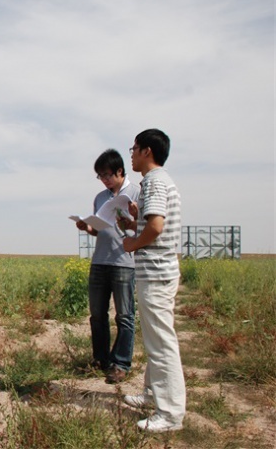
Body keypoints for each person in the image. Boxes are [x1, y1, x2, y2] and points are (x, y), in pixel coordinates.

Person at [119, 129, 185, 433]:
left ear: (146, 151)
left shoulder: (156, 182)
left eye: (133, 149)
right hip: (157, 271)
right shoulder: (157, 183)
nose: (131, 154)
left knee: (161, 343)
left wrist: (133, 241)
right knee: (154, 337)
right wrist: (136, 219)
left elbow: (156, 227)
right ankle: (150, 394)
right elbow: (152, 221)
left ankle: (170, 414)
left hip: (157, 272)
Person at [75, 149, 140, 384]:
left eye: (106, 175)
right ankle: (101, 360)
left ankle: (121, 363)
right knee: (97, 315)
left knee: (124, 316)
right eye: (100, 176)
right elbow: (100, 229)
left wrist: (132, 220)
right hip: (100, 260)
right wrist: (87, 228)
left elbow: (144, 228)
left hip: (124, 261)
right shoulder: (100, 197)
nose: (103, 180)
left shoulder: (137, 193)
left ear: (120, 171)